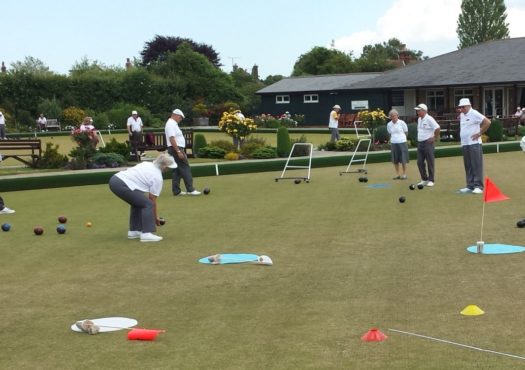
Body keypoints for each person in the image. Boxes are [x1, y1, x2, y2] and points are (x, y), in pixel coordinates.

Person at [109, 153, 177, 242]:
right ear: (164, 167)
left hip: (115, 180)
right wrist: (155, 218)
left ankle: (134, 231)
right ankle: (146, 234)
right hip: (122, 184)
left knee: (138, 203)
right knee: (147, 204)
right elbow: (152, 200)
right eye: (169, 167)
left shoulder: (147, 164)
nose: (169, 169)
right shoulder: (157, 177)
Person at [457, 98, 491, 194]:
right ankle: (470, 185)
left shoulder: (475, 113)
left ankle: (478, 186)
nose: (461, 108)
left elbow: (488, 122)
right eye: (460, 107)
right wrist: (460, 115)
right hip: (465, 143)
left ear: (469, 106)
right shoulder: (462, 114)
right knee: (468, 165)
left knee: (476, 165)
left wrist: (479, 133)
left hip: (474, 144)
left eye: (463, 107)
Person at [165, 109, 201, 196]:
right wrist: (178, 151)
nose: (180, 119)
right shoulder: (171, 124)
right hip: (176, 149)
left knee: (177, 170)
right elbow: (172, 138)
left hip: (174, 149)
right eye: (180, 118)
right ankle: (190, 189)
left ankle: (176, 191)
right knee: (185, 167)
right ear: (176, 115)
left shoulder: (172, 124)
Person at [414, 103, 440, 187]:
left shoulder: (429, 119)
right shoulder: (419, 119)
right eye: (417, 110)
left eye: (418, 110)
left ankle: (431, 180)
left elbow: (437, 128)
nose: (417, 112)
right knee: (419, 162)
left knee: (430, 162)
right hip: (420, 143)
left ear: (424, 111)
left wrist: (434, 138)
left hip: (428, 143)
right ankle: (424, 179)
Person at [386, 109, 409, 179]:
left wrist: (403, 139)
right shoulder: (389, 124)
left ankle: (404, 174)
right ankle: (397, 174)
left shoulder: (402, 123)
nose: (393, 117)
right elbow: (389, 133)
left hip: (402, 142)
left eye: (394, 115)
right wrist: (392, 140)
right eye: (391, 116)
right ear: (390, 117)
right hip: (393, 143)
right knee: (395, 160)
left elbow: (406, 132)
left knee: (403, 159)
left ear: (397, 116)